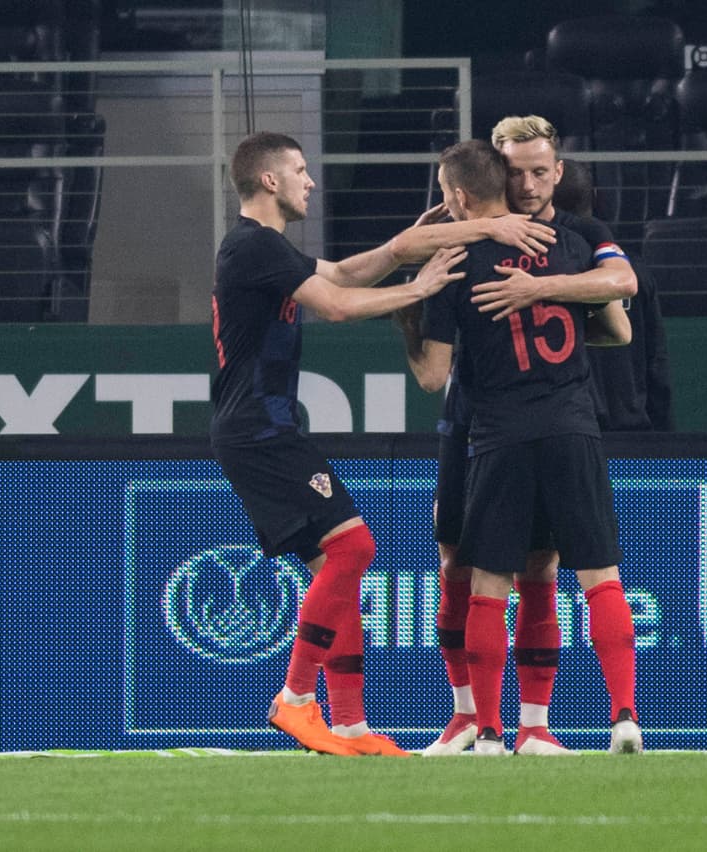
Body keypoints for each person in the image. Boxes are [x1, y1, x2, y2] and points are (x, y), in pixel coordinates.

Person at [211, 131, 557, 756]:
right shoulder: (251, 247)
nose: (310, 180)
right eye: (299, 170)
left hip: (267, 425)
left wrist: (416, 243)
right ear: (269, 182)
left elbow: (347, 268)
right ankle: (294, 699)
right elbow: (340, 304)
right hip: (257, 430)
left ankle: (347, 726)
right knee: (353, 547)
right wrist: (420, 286)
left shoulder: (266, 249)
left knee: (333, 570)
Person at [404, 139, 643, 755]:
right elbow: (617, 323)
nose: (530, 184)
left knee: (494, 574)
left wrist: (416, 292)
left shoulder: (459, 255)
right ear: (500, 179)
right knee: (573, 572)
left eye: (541, 172)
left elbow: (432, 374)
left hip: (494, 426)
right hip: (557, 421)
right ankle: (613, 718)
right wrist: (562, 292)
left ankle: (501, 727)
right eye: (518, 173)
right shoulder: (572, 245)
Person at [554, 158, 673, 431]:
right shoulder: (637, 274)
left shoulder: (534, 276)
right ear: (597, 197)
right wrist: (665, 438)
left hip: (571, 432)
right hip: (630, 433)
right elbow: (656, 364)